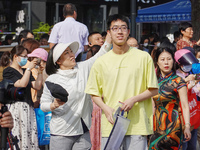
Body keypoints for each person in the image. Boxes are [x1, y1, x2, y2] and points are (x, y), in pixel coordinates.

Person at [85, 14, 158, 150]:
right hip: (110, 125)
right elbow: (93, 92)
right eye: (115, 28)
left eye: (123, 28)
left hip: (137, 125)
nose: (119, 32)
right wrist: (105, 109)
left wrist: (134, 99)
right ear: (109, 33)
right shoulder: (100, 62)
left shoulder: (143, 57)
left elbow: (153, 89)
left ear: (128, 32)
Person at [40, 35, 112, 150]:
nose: (72, 55)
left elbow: (101, 54)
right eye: (66, 53)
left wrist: (109, 36)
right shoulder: (52, 79)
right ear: (58, 60)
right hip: (61, 132)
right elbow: (43, 105)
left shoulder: (82, 68)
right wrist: (53, 105)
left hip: (82, 128)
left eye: (71, 52)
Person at [1, 45, 43, 149]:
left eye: (27, 57)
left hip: (28, 107)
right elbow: (22, 84)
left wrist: (41, 71)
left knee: (30, 136)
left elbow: (37, 86)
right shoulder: (8, 71)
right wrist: (29, 68)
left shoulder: (25, 71)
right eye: (24, 56)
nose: (26, 59)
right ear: (15, 57)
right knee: (18, 135)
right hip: (16, 108)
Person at [149, 47, 191, 149]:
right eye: (162, 59)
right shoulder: (153, 81)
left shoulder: (179, 81)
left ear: (173, 61)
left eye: (169, 59)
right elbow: (151, 105)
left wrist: (187, 126)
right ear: (157, 62)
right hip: (156, 126)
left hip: (173, 127)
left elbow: (185, 106)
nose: (166, 62)